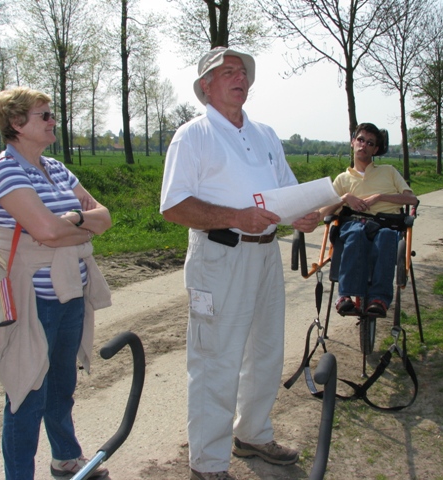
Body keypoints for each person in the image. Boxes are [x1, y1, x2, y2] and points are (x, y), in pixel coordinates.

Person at [160, 47, 320, 480]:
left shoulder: (266, 134)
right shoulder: (193, 135)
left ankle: (252, 433)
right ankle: (208, 463)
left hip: (266, 253)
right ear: (205, 86)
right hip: (220, 256)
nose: (240, 77)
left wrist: (304, 213)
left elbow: (287, 192)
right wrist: (235, 217)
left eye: (243, 72)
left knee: (267, 351)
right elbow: (173, 206)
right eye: (227, 72)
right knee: (216, 359)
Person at [0, 87, 113, 480]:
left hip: (69, 295)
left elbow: (104, 217)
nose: (53, 121)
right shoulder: (6, 169)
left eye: (51, 114)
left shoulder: (58, 168)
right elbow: (47, 229)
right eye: (44, 115)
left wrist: (71, 224)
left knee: (61, 385)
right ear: (17, 124)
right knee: (26, 392)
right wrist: (75, 226)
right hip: (34, 299)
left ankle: (65, 458)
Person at [319, 122, 418, 318]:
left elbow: (411, 199)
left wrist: (380, 196)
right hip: (354, 222)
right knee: (355, 234)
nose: (364, 145)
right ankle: (345, 296)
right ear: (353, 142)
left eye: (370, 143)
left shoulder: (389, 171)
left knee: (387, 236)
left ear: (376, 149)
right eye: (361, 140)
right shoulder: (342, 179)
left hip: (386, 223)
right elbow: (323, 212)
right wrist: (345, 198)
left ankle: (378, 299)